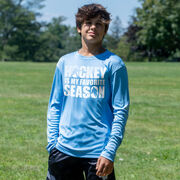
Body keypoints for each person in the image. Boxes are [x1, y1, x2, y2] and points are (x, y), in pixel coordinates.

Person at [46, 3, 130, 180]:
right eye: (88, 23)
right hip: (63, 150)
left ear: (105, 30)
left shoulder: (114, 64)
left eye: (99, 24)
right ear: (79, 28)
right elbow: (55, 105)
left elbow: (121, 110)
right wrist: (52, 144)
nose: (93, 27)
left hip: (99, 153)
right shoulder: (65, 62)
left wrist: (109, 151)